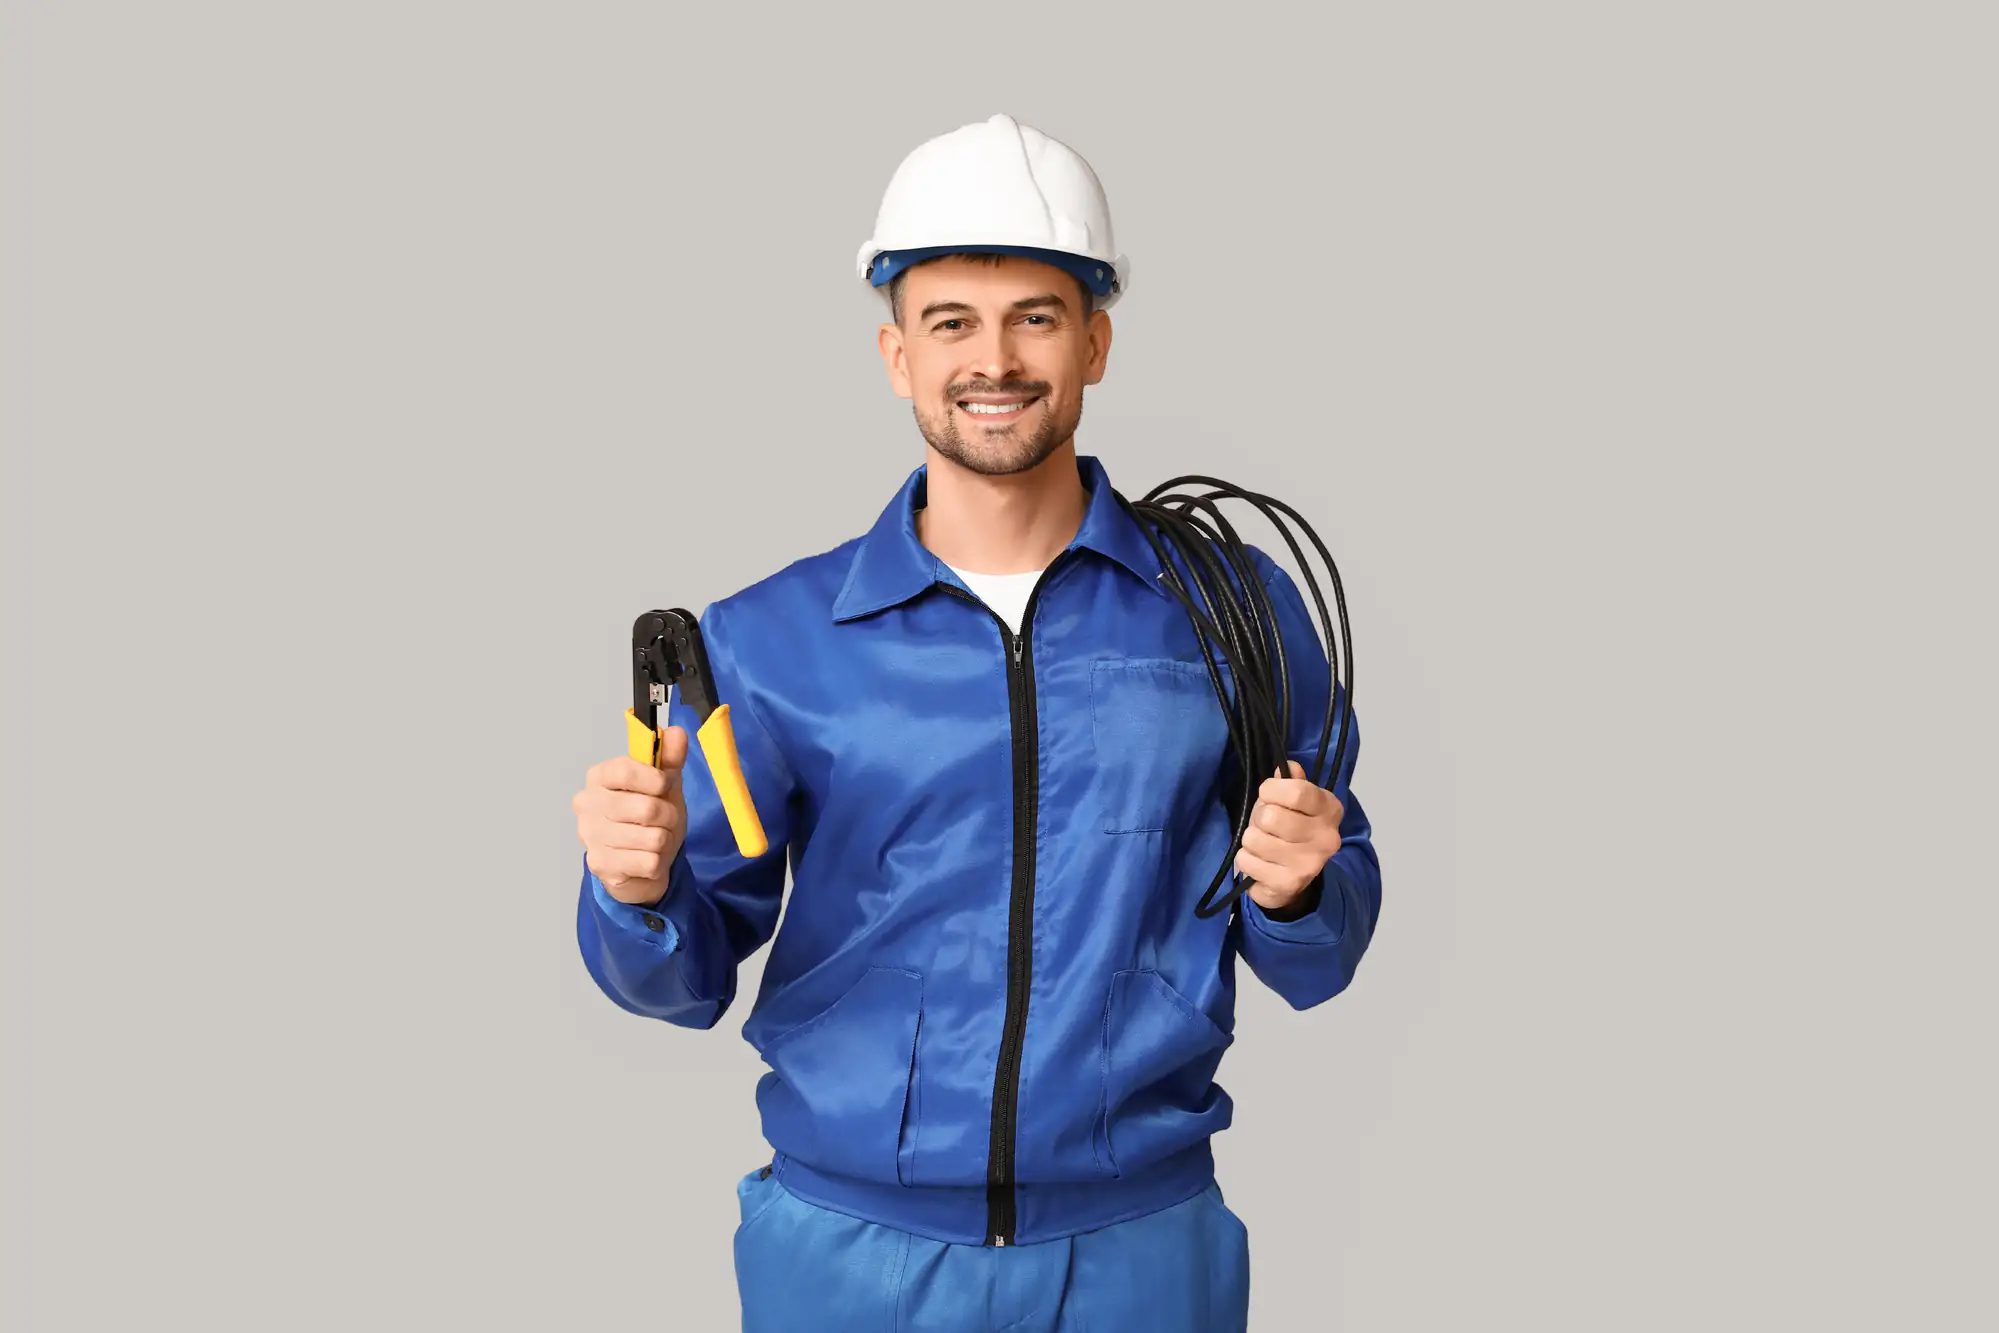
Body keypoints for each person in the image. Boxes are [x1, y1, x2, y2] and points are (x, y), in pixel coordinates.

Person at [570, 113, 1383, 1332]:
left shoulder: (1231, 613)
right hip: (846, 1261)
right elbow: (679, 983)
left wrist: (1301, 892)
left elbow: (1320, 955)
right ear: (896, 352)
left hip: (1141, 1255)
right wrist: (631, 892)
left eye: (1035, 317)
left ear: (1095, 342)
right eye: (951, 321)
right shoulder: (772, 639)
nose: (991, 359)